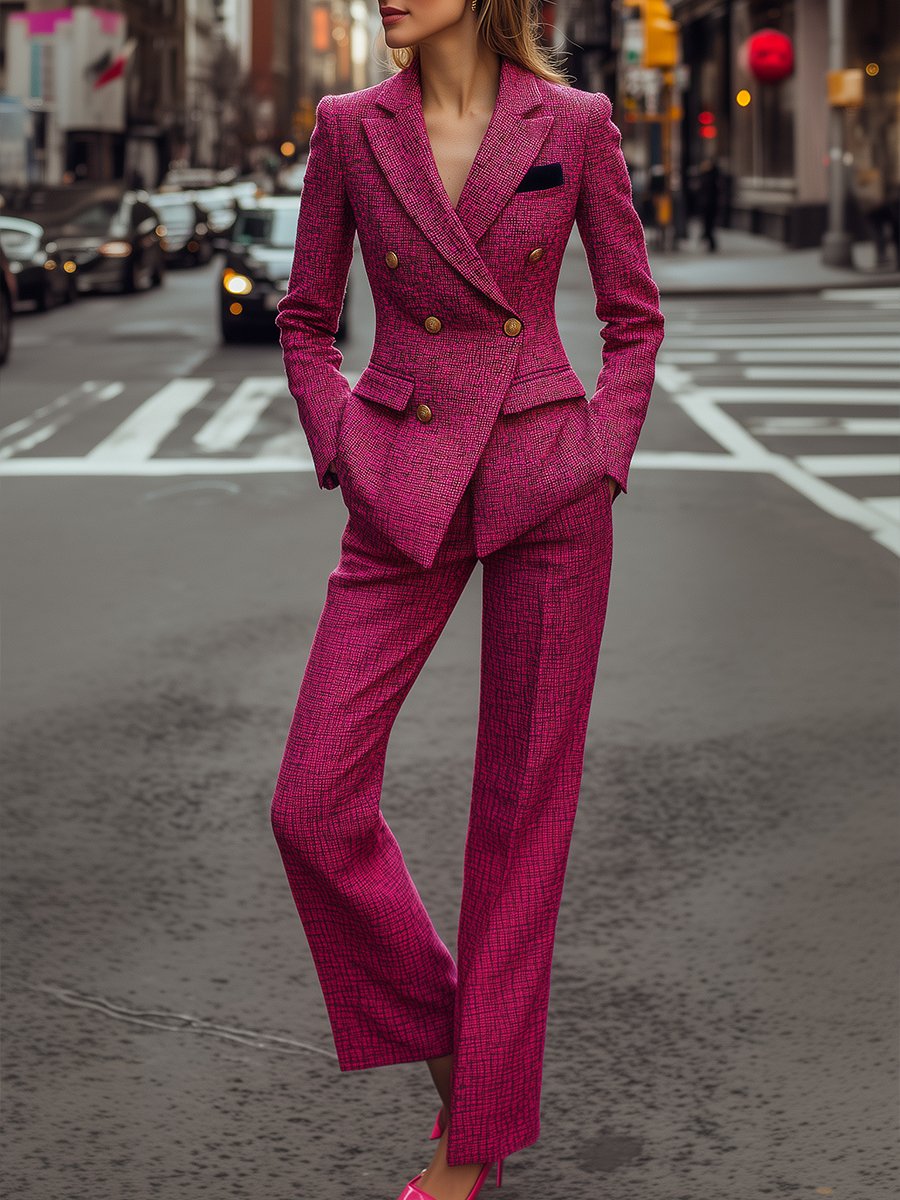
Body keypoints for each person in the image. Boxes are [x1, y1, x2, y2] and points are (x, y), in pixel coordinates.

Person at [269, 3, 664, 1199]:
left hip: (549, 481)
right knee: (312, 804)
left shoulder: (576, 122)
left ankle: (472, 1138)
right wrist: (345, 443)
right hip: (402, 484)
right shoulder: (349, 128)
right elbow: (305, 318)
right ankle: (467, 1055)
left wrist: (602, 451)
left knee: (518, 822)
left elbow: (634, 318)